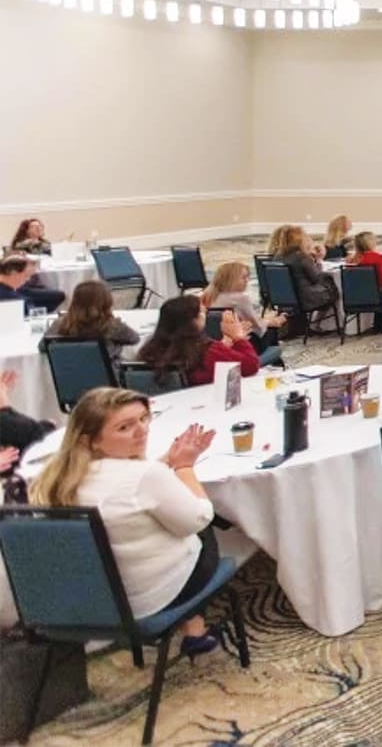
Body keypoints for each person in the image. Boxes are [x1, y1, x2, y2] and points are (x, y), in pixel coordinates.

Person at [30, 387, 225, 654]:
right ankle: (195, 627)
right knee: (205, 525)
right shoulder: (146, 476)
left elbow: (127, 490)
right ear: (91, 440)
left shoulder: (59, 478)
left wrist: (167, 462)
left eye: (143, 419)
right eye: (125, 427)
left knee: (165, 520)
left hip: (108, 597)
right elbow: (199, 519)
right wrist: (184, 467)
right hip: (155, 596)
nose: (142, 430)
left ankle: (194, 629)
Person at [137, 295, 261, 387]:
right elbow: (250, 366)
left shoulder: (150, 350)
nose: (205, 313)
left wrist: (224, 345)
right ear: (193, 320)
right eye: (202, 312)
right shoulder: (205, 351)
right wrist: (239, 338)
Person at [200, 262, 286, 365]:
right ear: (231, 279)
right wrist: (273, 321)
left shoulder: (206, 296)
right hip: (243, 345)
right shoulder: (240, 298)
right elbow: (257, 327)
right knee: (271, 330)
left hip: (218, 345)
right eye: (243, 278)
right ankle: (274, 362)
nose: (247, 281)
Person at [49, 279, 142, 363]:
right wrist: (116, 346)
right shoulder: (112, 326)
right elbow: (134, 339)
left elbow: (46, 345)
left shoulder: (61, 324)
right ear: (106, 301)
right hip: (107, 374)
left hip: (70, 372)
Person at [271, 224, 338, 329]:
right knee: (334, 290)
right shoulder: (302, 257)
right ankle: (318, 324)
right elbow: (316, 278)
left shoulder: (278, 257)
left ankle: (313, 323)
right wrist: (319, 260)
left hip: (287, 298)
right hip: (306, 298)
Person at [0, 254, 65, 313]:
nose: (27, 279)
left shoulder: (10, 292)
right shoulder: (14, 299)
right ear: (13, 272)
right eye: (26, 276)